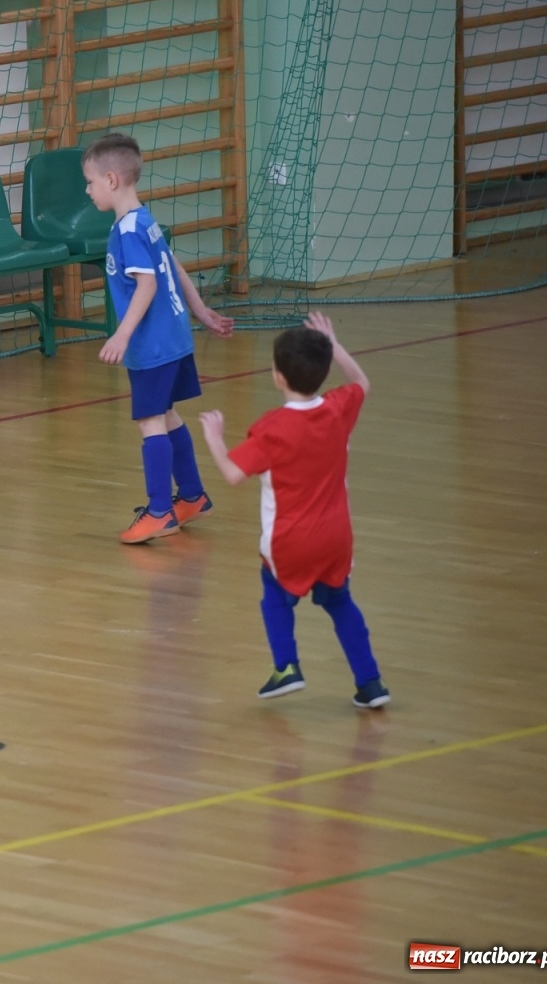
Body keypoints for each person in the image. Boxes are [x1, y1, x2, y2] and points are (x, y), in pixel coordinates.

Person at [197, 312, 390, 709]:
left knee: (274, 593)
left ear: (278, 377)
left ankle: (286, 666)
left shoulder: (271, 428)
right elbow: (362, 382)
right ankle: (371, 683)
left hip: (291, 540)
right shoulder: (338, 408)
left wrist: (214, 438)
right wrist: (334, 345)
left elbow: (233, 474)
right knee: (340, 602)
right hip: (336, 537)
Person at [83, 132, 235, 543]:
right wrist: (200, 311)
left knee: (150, 420)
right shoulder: (144, 220)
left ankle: (159, 512)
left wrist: (121, 334)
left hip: (152, 344)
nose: (88, 190)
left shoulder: (127, 231)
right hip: (174, 335)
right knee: (166, 414)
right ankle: (192, 496)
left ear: (111, 180)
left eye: (90, 182)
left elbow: (148, 284)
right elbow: (172, 264)